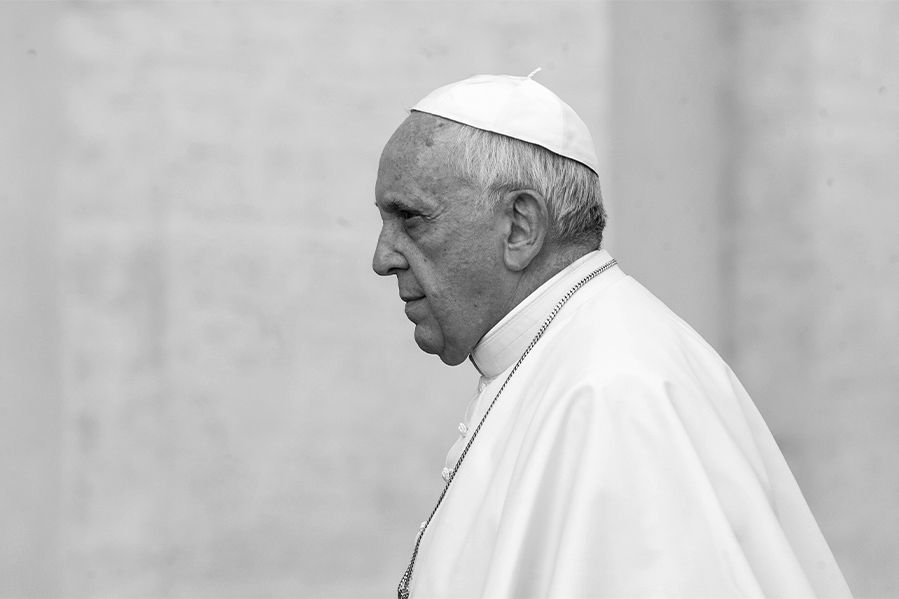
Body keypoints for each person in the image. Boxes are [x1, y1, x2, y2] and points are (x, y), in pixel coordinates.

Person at [372, 73, 852, 599]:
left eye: (411, 219)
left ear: (519, 227)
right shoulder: (564, 356)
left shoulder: (614, 393)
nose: (382, 258)